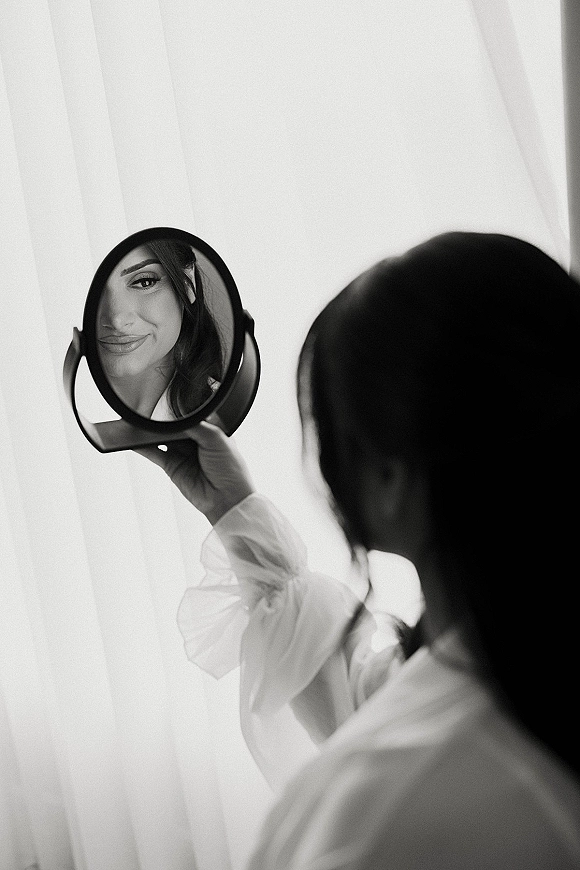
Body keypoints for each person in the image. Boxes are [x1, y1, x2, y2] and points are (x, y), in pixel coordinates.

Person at [136, 231, 580, 869]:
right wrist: (232, 512)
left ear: (392, 479)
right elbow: (360, 676)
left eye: (327, 430)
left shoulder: (380, 818)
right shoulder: (525, 678)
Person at [97, 239, 223, 420]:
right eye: (94, 291)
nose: (117, 320)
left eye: (144, 282)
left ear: (188, 284)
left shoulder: (226, 415)